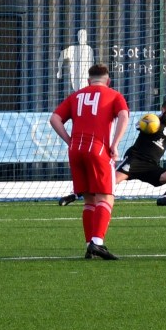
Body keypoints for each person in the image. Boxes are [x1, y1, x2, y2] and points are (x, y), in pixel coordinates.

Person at [49, 63, 130, 260]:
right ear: (108, 81)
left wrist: (69, 140)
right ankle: (98, 243)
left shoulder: (76, 95)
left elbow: (54, 119)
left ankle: (89, 244)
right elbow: (123, 116)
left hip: (75, 150)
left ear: (88, 81)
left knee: (89, 200)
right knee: (106, 197)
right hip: (98, 149)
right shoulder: (114, 95)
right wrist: (115, 144)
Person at [58, 98, 166, 207]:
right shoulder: (152, 120)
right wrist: (146, 123)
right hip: (134, 160)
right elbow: (138, 126)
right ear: (163, 109)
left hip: (151, 167)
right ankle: (74, 195)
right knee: (107, 182)